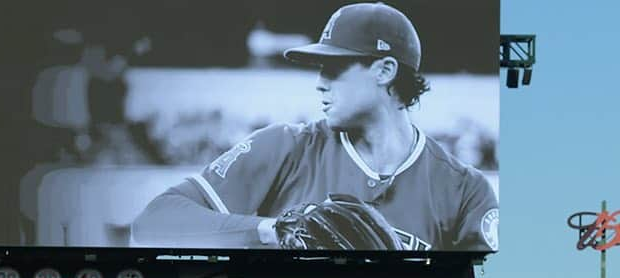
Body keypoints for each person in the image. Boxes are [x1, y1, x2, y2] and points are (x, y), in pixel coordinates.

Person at [132, 3, 497, 252]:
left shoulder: (464, 191)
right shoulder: (285, 148)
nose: (320, 83)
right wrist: (273, 230)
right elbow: (151, 225)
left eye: (334, 68)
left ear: (385, 71)